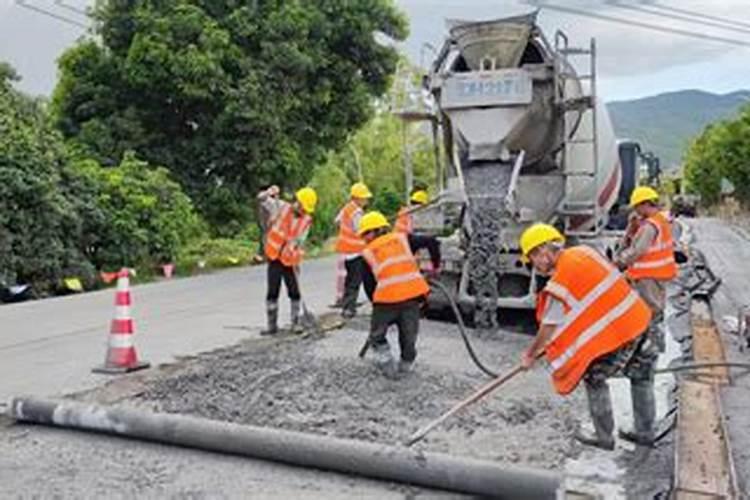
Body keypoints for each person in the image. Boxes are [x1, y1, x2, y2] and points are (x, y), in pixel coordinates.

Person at [519, 223, 657, 450]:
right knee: (641, 377)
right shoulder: (585, 252)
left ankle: (603, 437)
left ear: (543, 250)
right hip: (639, 318)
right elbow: (589, 302)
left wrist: (530, 355)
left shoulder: (560, 279)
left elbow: (549, 327)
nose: (534, 265)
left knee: (594, 378)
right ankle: (645, 433)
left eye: (533, 257)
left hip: (622, 331)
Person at [358, 211, 441, 378]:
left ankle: (387, 362)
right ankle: (406, 365)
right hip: (412, 297)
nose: (364, 238)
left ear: (375, 231)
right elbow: (432, 242)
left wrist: (377, 310)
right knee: (409, 335)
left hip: (386, 300)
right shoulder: (403, 239)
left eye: (366, 233)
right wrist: (435, 266)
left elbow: (369, 286)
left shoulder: (367, 253)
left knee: (377, 336)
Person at [614, 186, 678, 356]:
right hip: (658, 274)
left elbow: (637, 251)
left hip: (648, 276)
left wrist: (619, 262)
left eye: (637, 207)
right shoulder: (660, 221)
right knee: (655, 309)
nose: (635, 211)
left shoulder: (650, 226)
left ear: (644, 204)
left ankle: (652, 347)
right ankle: (654, 344)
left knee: (650, 310)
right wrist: (631, 228)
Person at [257, 185, 318, 335]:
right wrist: (269, 192)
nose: (303, 211)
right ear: (297, 201)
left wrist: (294, 252)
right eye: (303, 207)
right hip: (274, 257)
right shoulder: (281, 207)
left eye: (306, 209)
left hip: (290, 259)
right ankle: (272, 326)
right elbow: (261, 199)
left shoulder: (307, 220)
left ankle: (295, 323)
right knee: (272, 291)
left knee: (294, 292)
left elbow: (300, 240)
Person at [335, 182, 372, 318]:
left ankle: (346, 305)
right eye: (364, 198)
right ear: (357, 198)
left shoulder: (346, 208)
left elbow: (337, 221)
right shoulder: (357, 212)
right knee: (355, 281)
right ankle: (349, 308)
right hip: (356, 251)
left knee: (350, 280)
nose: (366, 200)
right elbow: (360, 230)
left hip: (346, 252)